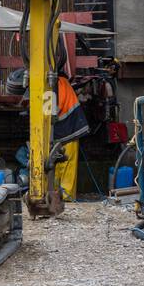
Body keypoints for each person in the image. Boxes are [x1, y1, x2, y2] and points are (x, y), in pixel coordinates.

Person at [53, 73, 89, 201]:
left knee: (67, 163)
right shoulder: (60, 83)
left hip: (70, 129)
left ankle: (66, 196)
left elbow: (55, 108)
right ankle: (56, 193)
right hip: (63, 130)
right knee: (56, 163)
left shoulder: (59, 83)